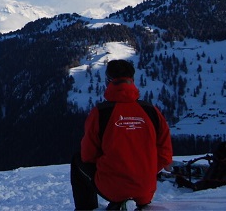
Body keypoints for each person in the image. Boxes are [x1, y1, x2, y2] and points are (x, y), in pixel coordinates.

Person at [71, 59, 173, 210]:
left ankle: (87, 208)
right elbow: (165, 155)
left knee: (77, 160)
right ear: (132, 79)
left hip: (113, 189)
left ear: (108, 80)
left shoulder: (100, 113)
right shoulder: (151, 111)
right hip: (145, 189)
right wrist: (145, 171)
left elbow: (88, 155)